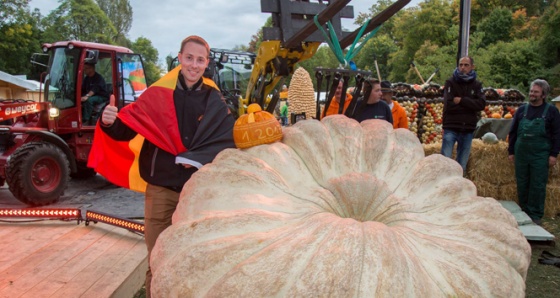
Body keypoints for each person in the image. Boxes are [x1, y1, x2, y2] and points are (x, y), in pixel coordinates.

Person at [92, 35, 235, 296]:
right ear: (179, 58)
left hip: (197, 195)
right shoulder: (158, 93)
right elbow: (128, 129)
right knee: (157, 261)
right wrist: (109, 121)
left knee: (192, 262)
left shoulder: (215, 99)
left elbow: (227, 139)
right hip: (160, 191)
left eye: (200, 60)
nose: (194, 64)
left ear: (206, 63)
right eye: (189, 58)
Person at [508, 79, 560, 225]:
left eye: (536, 92)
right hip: (522, 153)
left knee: (537, 184)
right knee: (522, 182)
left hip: (540, 154)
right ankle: (523, 212)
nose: (532, 94)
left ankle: (535, 215)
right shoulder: (522, 110)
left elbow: (557, 134)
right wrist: (511, 151)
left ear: (543, 95)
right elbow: (513, 132)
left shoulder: (551, 111)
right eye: (531, 91)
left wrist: (553, 154)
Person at [440, 56, 486, 175]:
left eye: (466, 65)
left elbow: (481, 104)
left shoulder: (476, 85)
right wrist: (470, 105)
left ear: (472, 67)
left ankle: (458, 188)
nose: (462, 68)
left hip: (467, 128)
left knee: (462, 165)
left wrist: (462, 101)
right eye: (461, 65)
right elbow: (449, 105)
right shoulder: (450, 83)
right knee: (444, 162)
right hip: (451, 126)